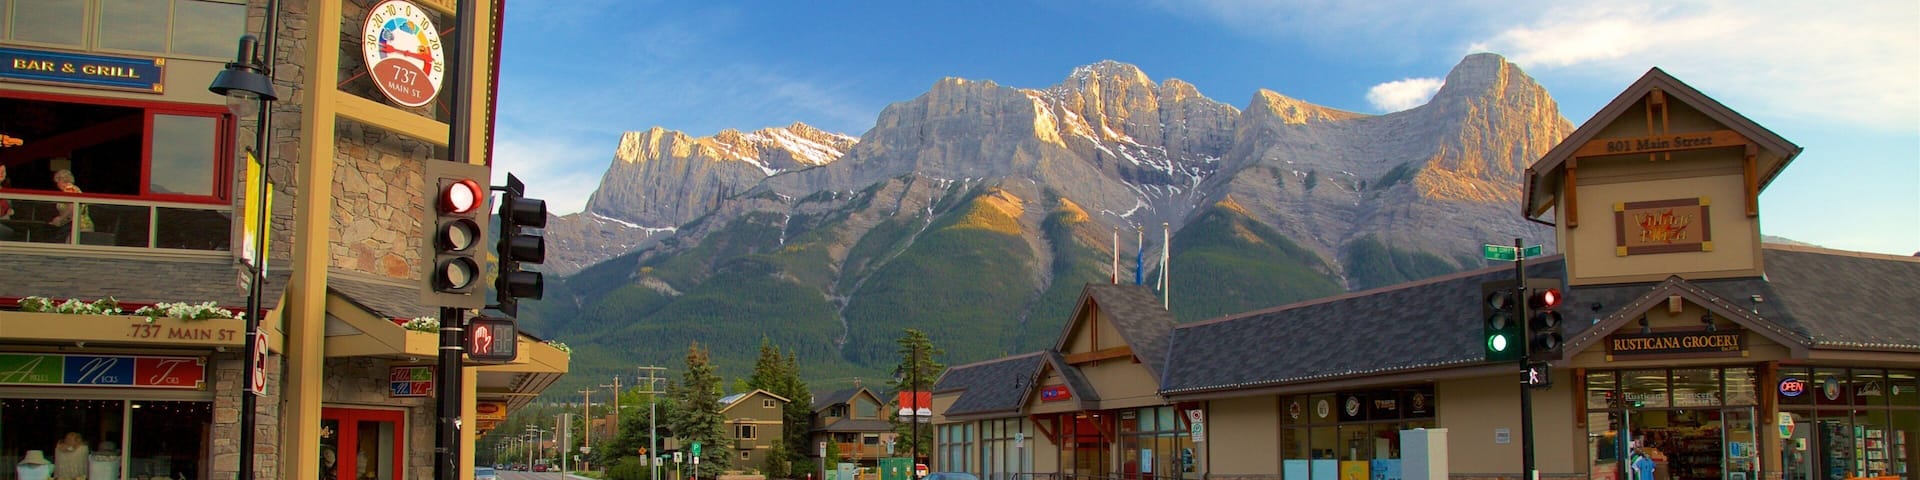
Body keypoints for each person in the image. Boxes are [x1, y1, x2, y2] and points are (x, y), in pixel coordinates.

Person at [47, 168, 91, 242]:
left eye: (57, 182)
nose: (57, 185)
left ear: (60, 180)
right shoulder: (73, 189)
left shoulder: (69, 189)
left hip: (80, 227)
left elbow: (72, 207)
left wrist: (60, 218)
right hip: (75, 227)